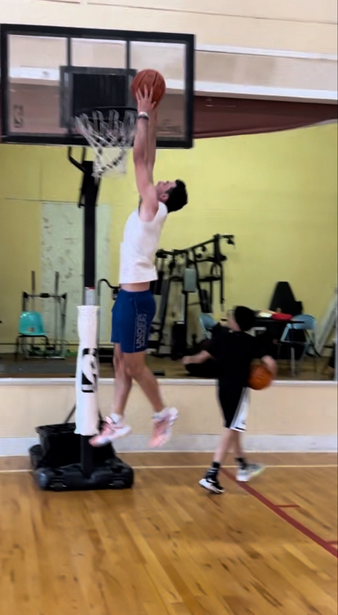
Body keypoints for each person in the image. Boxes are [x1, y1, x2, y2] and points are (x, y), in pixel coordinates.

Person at [90, 87, 188, 448]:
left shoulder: (152, 205)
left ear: (164, 196)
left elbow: (138, 160)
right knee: (119, 361)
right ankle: (116, 420)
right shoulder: (152, 205)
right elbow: (149, 157)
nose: (161, 180)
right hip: (126, 298)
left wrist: (143, 114)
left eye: (166, 184)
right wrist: (154, 114)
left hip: (137, 302)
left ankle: (163, 413)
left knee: (133, 366)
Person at [182, 306, 277, 494]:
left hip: (222, 389)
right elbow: (270, 363)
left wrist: (188, 359)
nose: (228, 318)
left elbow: (201, 357)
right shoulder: (252, 342)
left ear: (236, 321)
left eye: (230, 316)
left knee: (233, 427)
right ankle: (212, 474)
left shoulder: (222, 338)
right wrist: (270, 377)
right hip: (238, 392)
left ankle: (243, 465)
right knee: (230, 428)